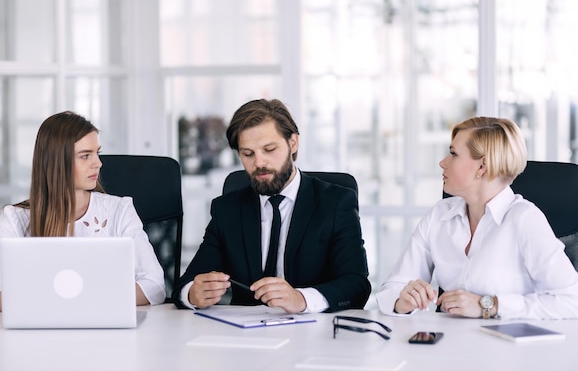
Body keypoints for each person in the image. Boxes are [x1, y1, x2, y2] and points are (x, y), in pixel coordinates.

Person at [172, 98, 371, 314]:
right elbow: (186, 284)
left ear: (293, 143)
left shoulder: (335, 203)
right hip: (242, 335)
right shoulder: (227, 209)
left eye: (269, 149)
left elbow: (356, 286)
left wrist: (302, 299)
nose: (259, 163)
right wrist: (193, 293)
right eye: (248, 154)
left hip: (313, 334)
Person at [376, 116, 578, 319]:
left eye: (453, 154)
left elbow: (571, 300)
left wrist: (490, 305)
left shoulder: (524, 219)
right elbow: (393, 286)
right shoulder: (440, 215)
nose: (442, 162)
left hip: (511, 345)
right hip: (451, 343)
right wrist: (402, 301)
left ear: (482, 166)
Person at [0, 111, 166, 312]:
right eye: (85, 156)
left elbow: (154, 286)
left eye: (97, 153)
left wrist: (70, 299)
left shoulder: (119, 211)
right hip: (40, 334)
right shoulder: (15, 218)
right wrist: (78, 300)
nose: (98, 163)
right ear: (56, 161)